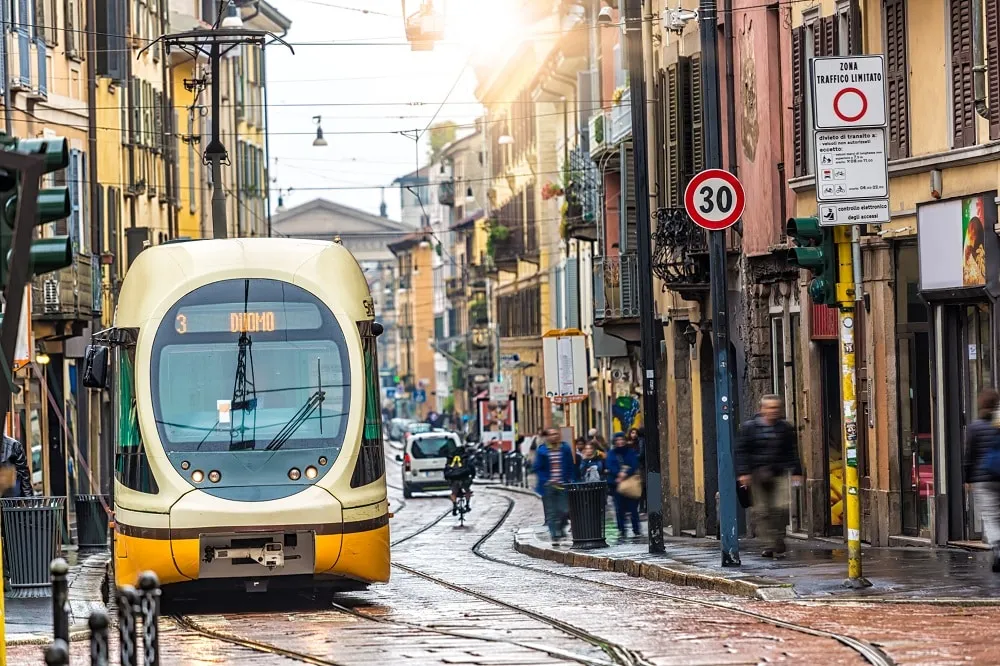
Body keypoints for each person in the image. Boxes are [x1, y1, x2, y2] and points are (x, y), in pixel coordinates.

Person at [736, 394, 802, 559]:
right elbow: (741, 452)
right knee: (762, 511)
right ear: (762, 409)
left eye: (776, 408)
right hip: (757, 475)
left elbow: (792, 451)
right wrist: (743, 473)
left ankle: (778, 538)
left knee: (781, 507)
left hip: (778, 473)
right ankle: (769, 544)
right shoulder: (749, 428)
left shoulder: (785, 428)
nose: (774, 411)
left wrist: (796, 471)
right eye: (770, 408)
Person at [964, 388, 1000, 571]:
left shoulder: (974, 428)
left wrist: (967, 479)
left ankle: (998, 550)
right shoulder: (998, 425)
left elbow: (969, 456)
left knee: (991, 517)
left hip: (982, 480)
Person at [533, 428, 575, 544]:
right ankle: (554, 534)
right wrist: (546, 480)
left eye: (556, 434)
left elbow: (570, 465)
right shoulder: (542, 450)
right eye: (551, 434)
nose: (554, 436)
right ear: (547, 437)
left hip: (562, 484)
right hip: (548, 485)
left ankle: (560, 528)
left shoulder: (565, 448)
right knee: (551, 512)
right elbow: (537, 467)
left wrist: (571, 479)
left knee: (565, 510)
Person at [607, 432, 641, 539]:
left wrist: (625, 474)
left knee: (633, 508)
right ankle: (621, 530)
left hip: (630, 484)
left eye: (622, 439)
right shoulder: (612, 453)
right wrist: (618, 474)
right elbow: (609, 465)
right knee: (619, 509)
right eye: (617, 440)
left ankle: (636, 529)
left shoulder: (630, 451)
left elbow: (634, 464)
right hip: (617, 485)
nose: (620, 442)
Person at [444, 443, 476, 515]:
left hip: (453, 478)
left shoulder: (451, 457)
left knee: (453, 492)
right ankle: (467, 505)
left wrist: (447, 477)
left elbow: (446, 468)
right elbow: (471, 467)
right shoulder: (465, 457)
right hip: (464, 477)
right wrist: (473, 476)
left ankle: (455, 504)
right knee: (467, 491)